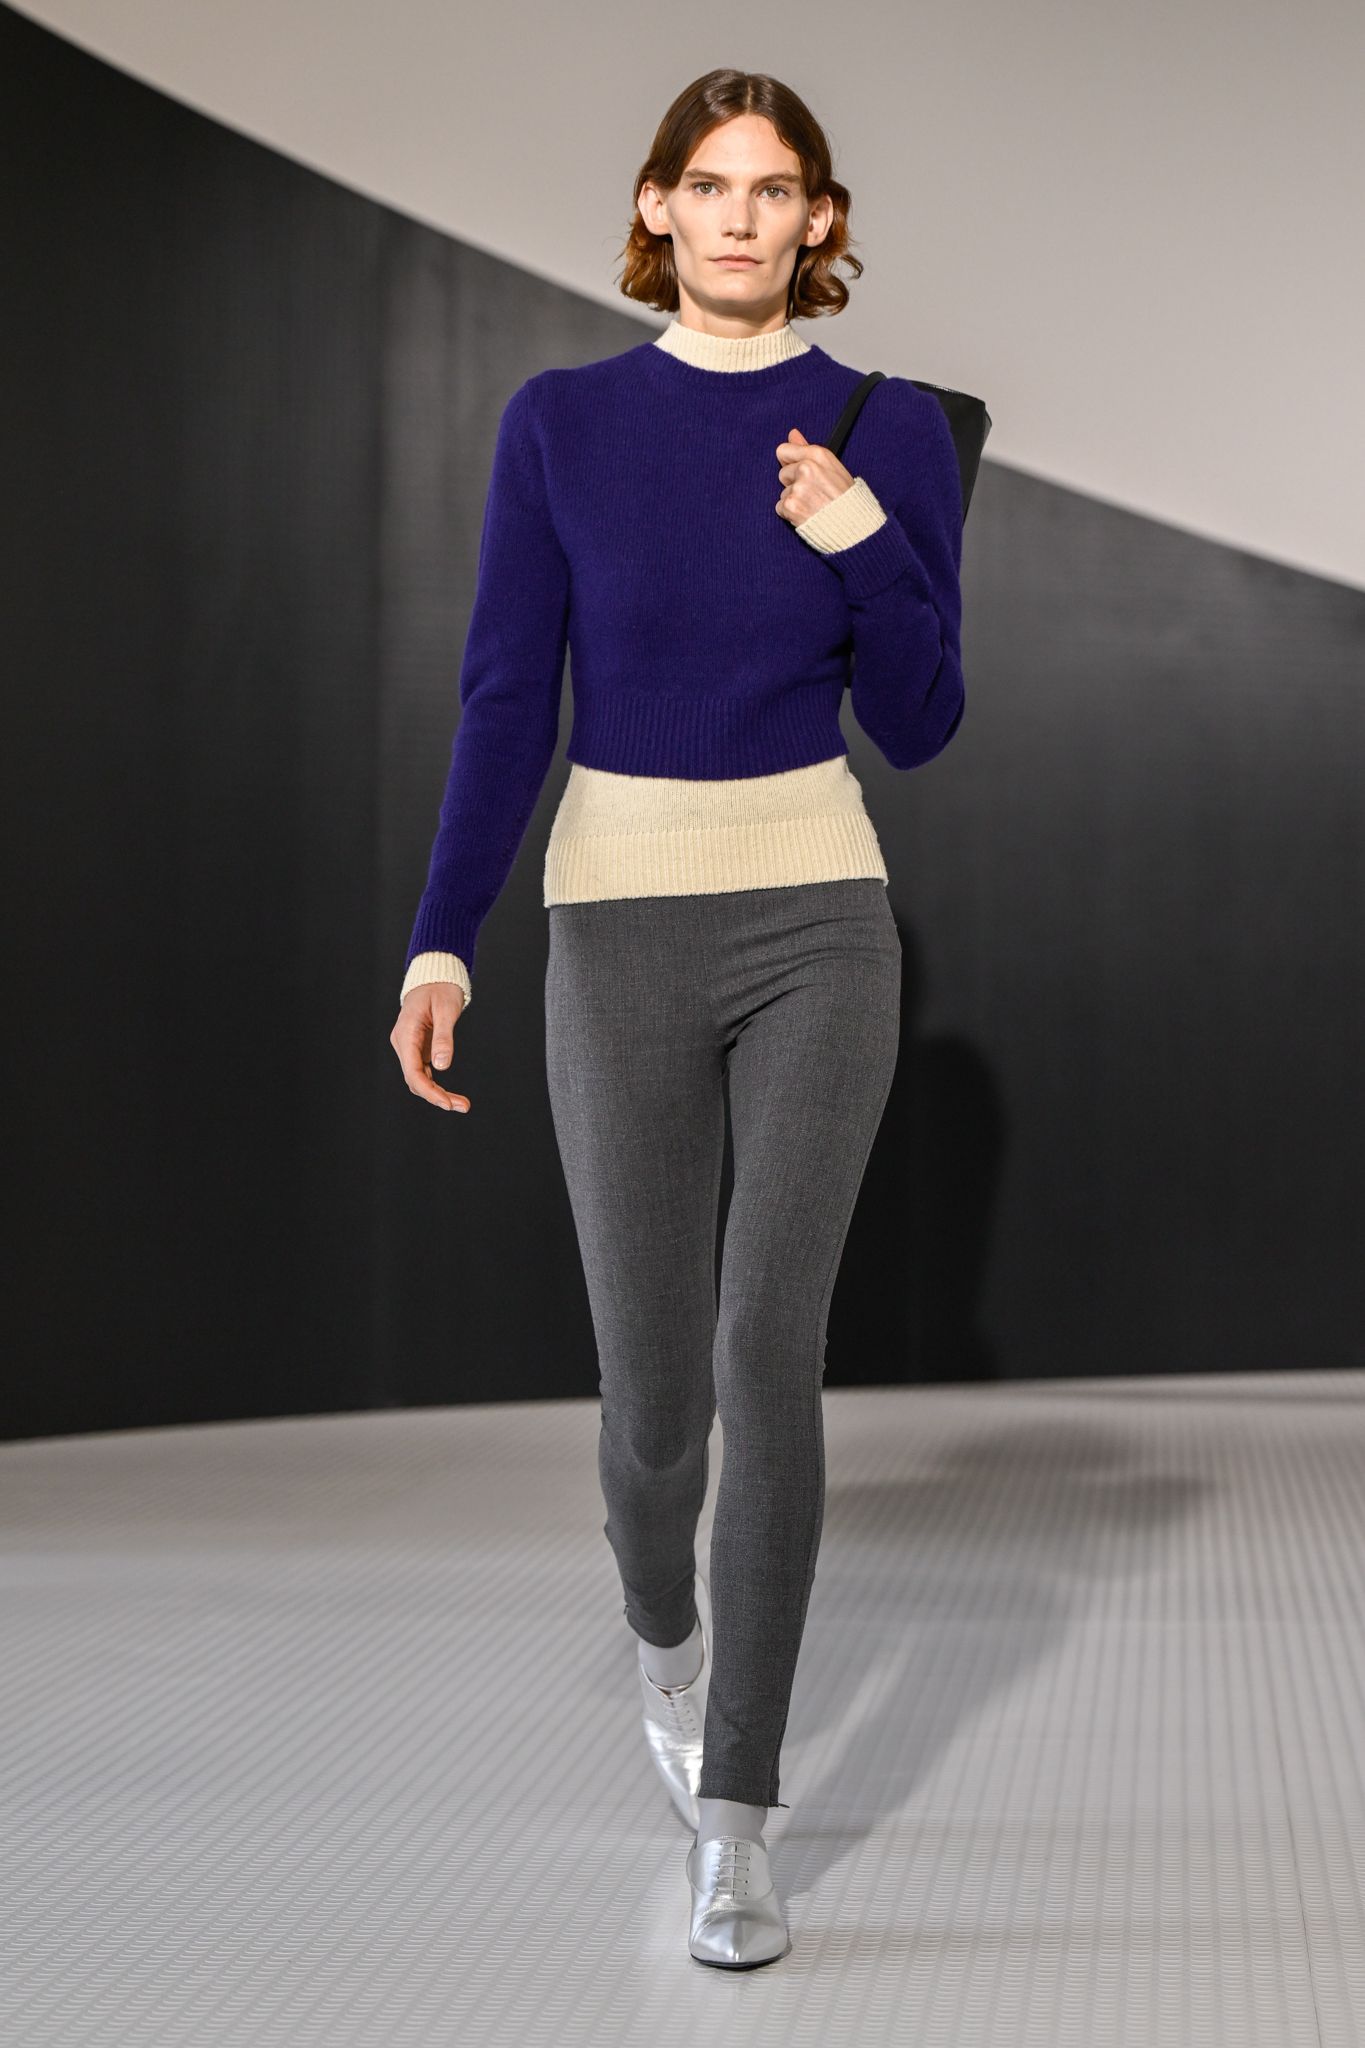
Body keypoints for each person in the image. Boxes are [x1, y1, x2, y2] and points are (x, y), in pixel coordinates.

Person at [389, 67, 967, 1968]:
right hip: (617, 923)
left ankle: (739, 1814)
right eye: (707, 184)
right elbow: (505, 698)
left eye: (773, 188)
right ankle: (663, 1635)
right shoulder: (562, 423)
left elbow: (923, 720)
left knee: (763, 1357)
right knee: (652, 1406)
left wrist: (860, 536)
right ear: (657, 207)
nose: (738, 216)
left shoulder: (885, 428)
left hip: (818, 921)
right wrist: (442, 941)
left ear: (818, 220)